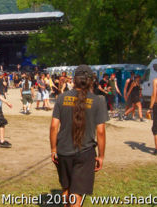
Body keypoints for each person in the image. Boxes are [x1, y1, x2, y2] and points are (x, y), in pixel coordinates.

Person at [50, 65, 108, 206]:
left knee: (67, 188)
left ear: (74, 80)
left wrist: (53, 149)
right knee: (77, 193)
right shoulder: (98, 101)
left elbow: (53, 126)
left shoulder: (62, 98)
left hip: (63, 151)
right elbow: (100, 131)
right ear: (91, 81)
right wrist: (101, 156)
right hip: (85, 153)